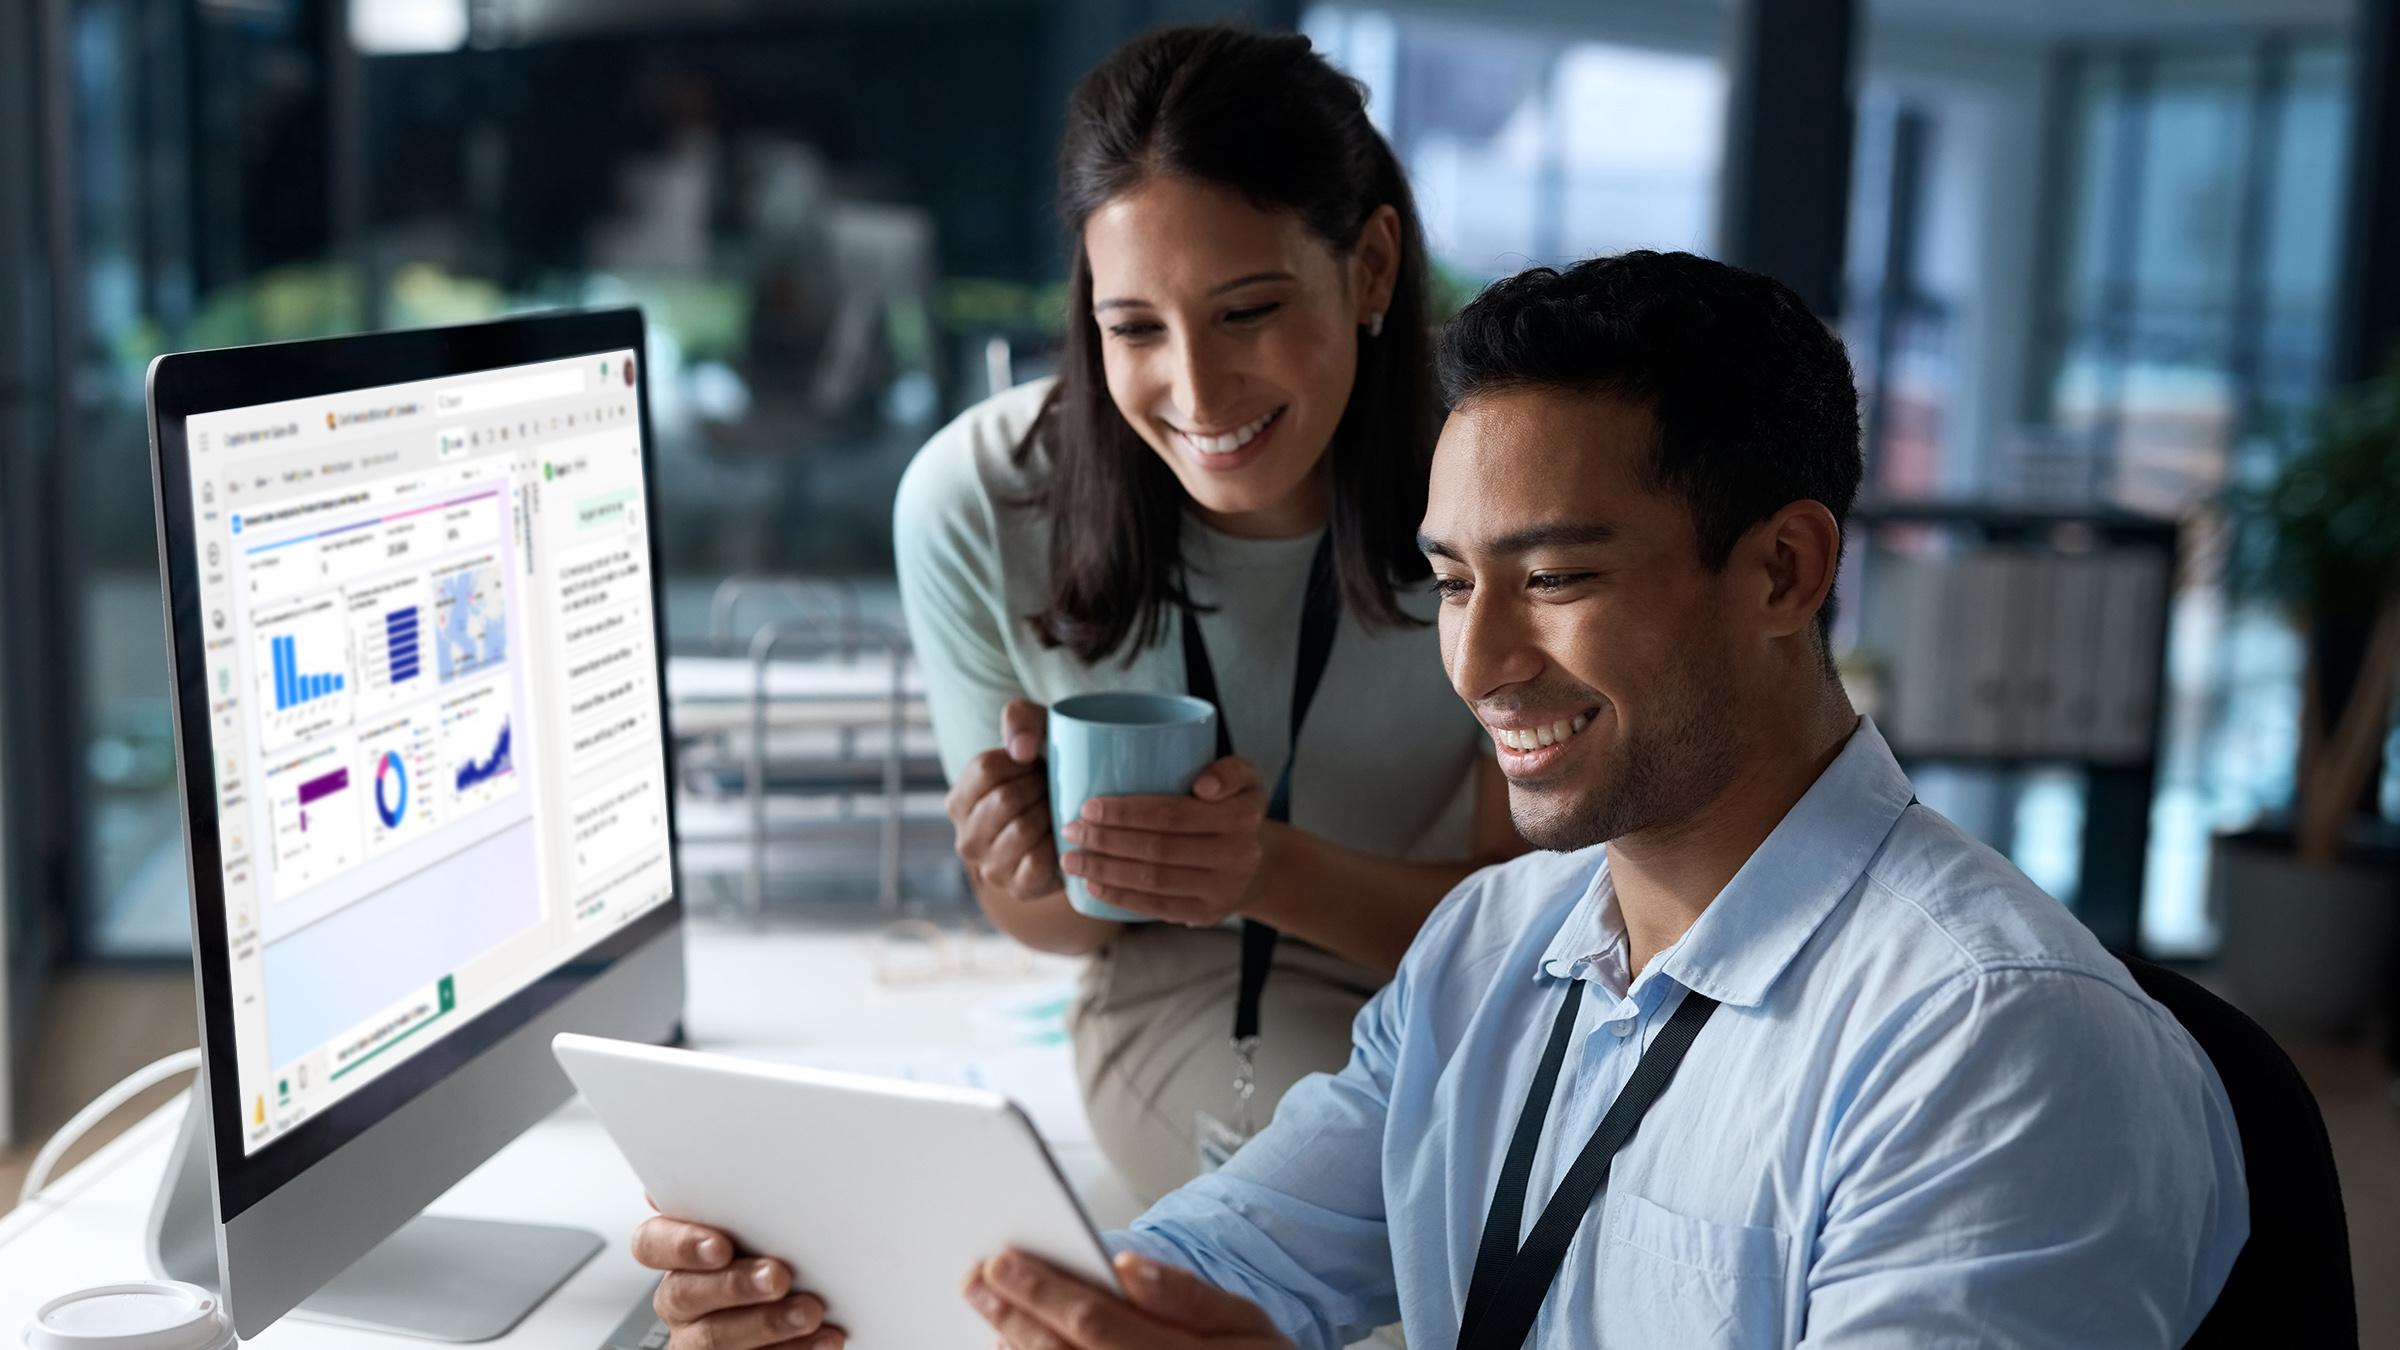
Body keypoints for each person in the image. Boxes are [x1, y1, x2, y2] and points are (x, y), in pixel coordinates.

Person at [634, 252, 2249, 1348]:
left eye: (1556, 579)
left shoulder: (1998, 1045)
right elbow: (1199, 1273)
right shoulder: (1495, 946)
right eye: (1454, 582)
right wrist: (851, 1293)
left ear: (1782, 570)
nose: (1480, 663)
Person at [891, 25, 1521, 1202]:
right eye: (1134, 327)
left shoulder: (1502, 483)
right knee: (1364, 1222)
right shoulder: (978, 500)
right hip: (1181, 990)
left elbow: (1544, 936)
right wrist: (1032, 860)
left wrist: (1263, 871)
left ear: (1372, 267)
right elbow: (1058, 930)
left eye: (1247, 312)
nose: (1196, 390)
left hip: (1474, 984)